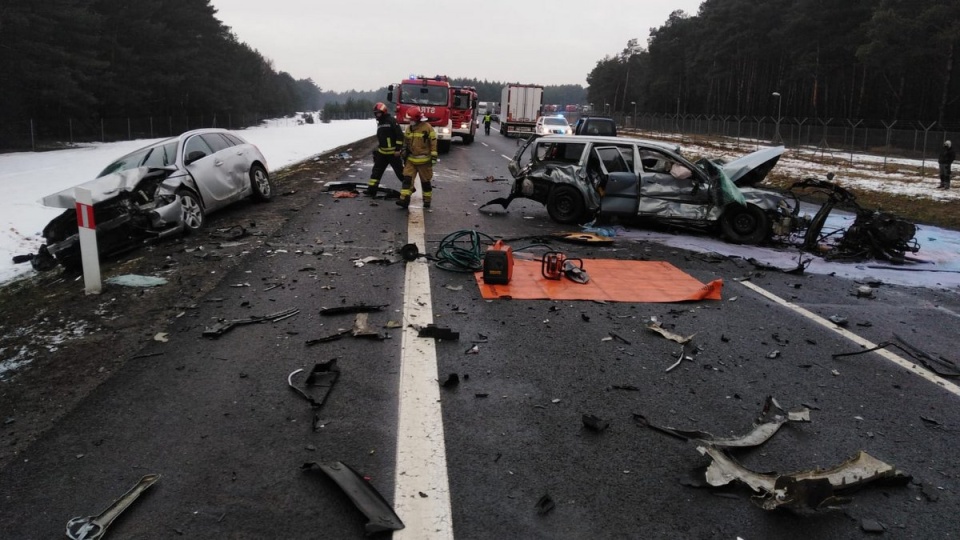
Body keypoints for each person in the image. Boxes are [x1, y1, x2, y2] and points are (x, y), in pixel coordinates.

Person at [397, 106, 438, 209]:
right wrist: (404, 152)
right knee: (407, 179)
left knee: (425, 182)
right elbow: (406, 142)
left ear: (417, 118)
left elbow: (433, 142)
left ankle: (427, 200)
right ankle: (404, 200)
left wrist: (433, 156)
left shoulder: (427, 127)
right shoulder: (409, 129)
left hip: (424, 161)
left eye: (411, 119)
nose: (410, 121)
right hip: (411, 160)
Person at [365, 102, 405, 196]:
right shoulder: (380, 123)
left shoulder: (391, 121)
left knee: (400, 173)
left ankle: (410, 189)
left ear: (383, 112)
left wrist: (397, 149)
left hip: (393, 154)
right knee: (376, 172)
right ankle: (371, 191)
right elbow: (381, 137)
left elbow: (400, 135)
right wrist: (378, 151)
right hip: (382, 153)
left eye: (378, 113)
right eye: (375, 113)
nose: (376, 115)